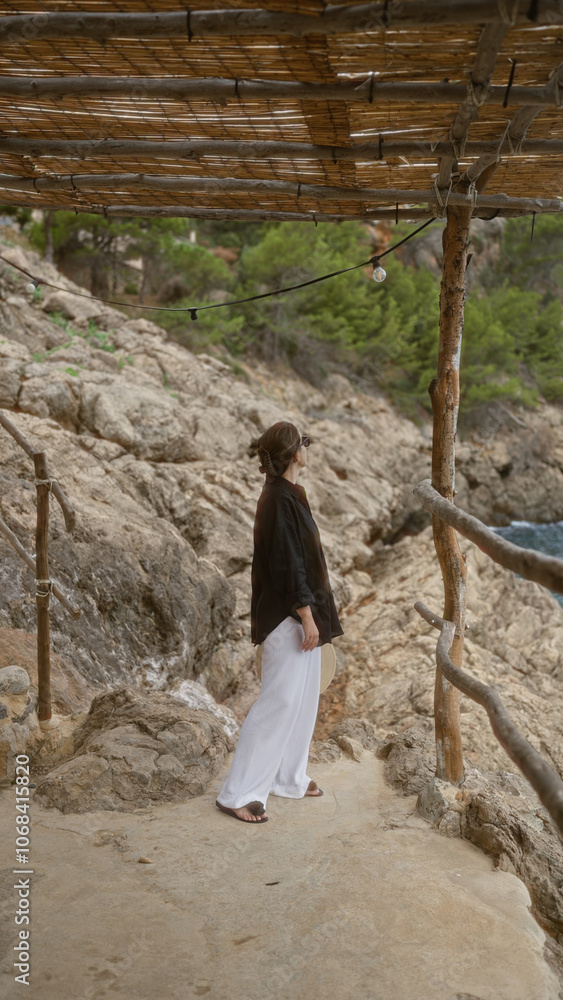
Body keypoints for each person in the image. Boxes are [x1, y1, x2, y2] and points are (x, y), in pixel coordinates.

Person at [215, 421, 344, 823]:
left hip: (300, 614)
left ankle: (288, 777)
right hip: (287, 616)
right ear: (293, 454)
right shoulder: (275, 499)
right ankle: (238, 792)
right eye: (304, 443)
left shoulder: (289, 494)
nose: (309, 448)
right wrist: (305, 615)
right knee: (279, 701)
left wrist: (312, 614)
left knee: (303, 701)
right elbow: (287, 564)